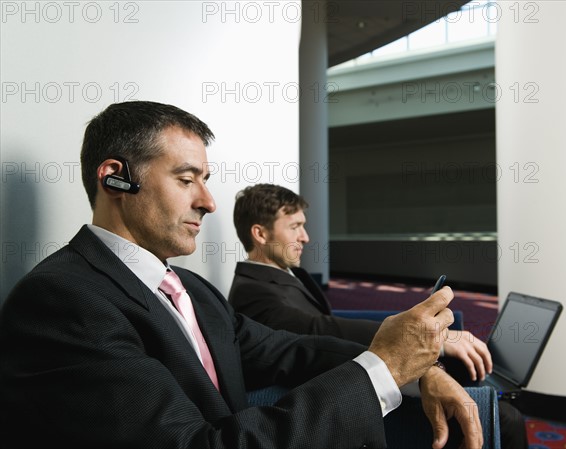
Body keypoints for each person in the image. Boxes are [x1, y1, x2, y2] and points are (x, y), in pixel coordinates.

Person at [0, 101, 483, 449]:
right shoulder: (63, 302)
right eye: (187, 180)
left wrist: (419, 372)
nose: (208, 202)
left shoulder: (191, 290)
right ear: (115, 178)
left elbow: (290, 350)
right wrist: (386, 368)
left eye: (205, 182)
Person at [229, 183, 528, 449]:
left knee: (466, 369)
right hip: (336, 392)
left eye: (303, 226)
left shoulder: (288, 274)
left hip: (344, 363)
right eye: (294, 227)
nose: (305, 237)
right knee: (507, 419)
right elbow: (318, 329)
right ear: (260, 233)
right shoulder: (253, 292)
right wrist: (423, 339)